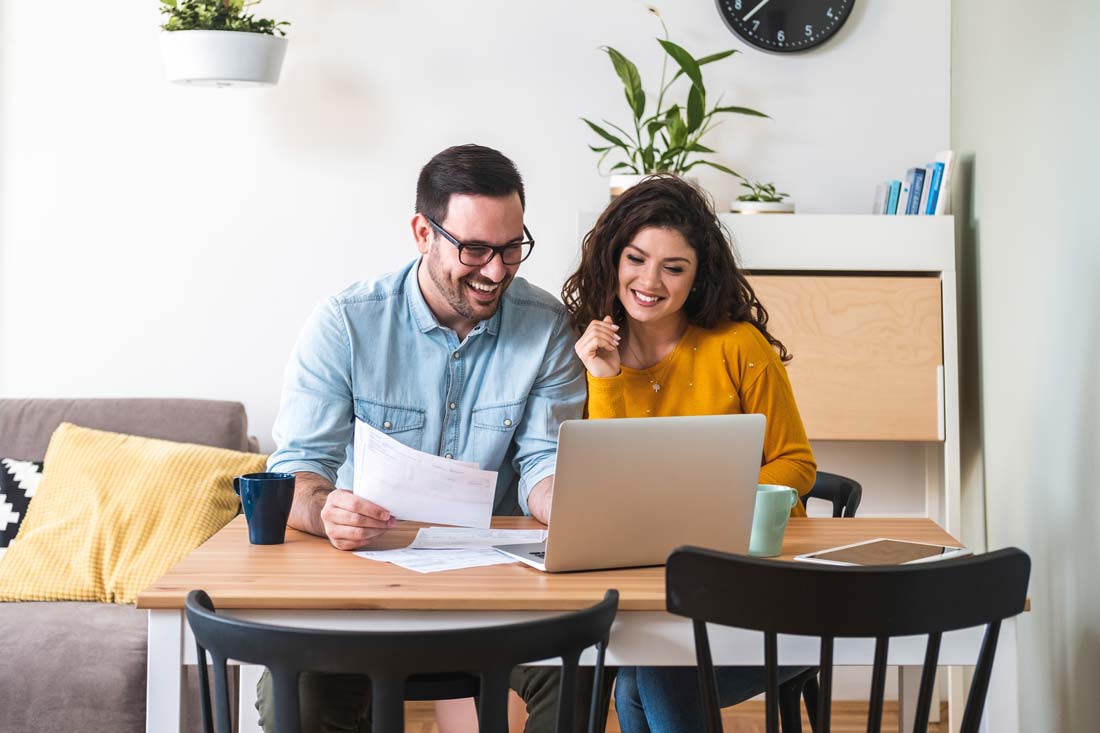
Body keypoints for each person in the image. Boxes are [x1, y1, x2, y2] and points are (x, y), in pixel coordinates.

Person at [261, 144, 588, 733]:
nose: (496, 271)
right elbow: (299, 469)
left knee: (582, 670)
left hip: (500, 586)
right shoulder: (346, 322)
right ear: (422, 232)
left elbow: (543, 459)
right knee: (296, 699)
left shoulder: (545, 328)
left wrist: (565, 499)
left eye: (512, 248)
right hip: (364, 580)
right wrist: (325, 510)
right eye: (475, 250)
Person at [561, 174, 817, 733]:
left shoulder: (737, 346)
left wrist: (710, 506)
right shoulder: (587, 351)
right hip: (657, 589)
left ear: (698, 277)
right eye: (636, 259)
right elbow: (605, 488)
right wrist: (603, 381)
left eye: (673, 268)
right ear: (613, 259)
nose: (649, 281)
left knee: (649, 670)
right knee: (645, 669)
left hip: (765, 595)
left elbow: (796, 463)